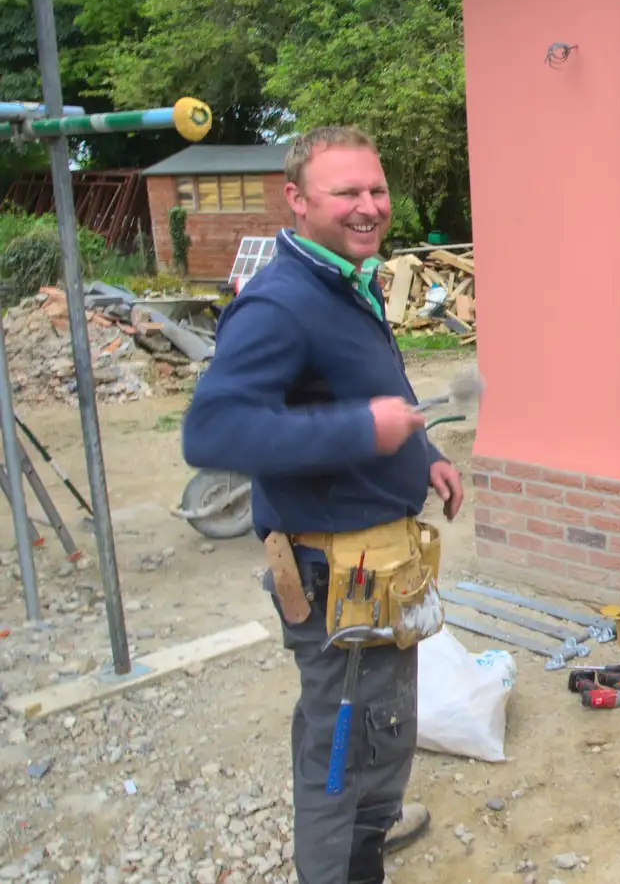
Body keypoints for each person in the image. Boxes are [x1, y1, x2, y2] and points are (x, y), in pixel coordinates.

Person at [183, 126, 464, 882]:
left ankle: (366, 843)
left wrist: (424, 456)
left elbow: (367, 397)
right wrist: (359, 430)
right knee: (341, 755)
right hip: (331, 579)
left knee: (378, 738)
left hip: (378, 570)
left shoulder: (347, 278)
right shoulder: (282, 302)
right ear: (298, 200)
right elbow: (212, 430)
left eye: (376, 189)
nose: (369, 206)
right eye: (347, 192)